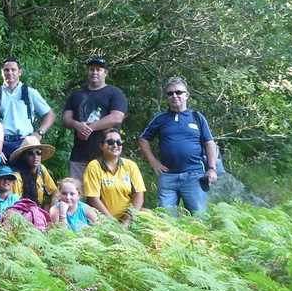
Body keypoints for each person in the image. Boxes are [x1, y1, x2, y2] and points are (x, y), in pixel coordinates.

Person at [137, 77, 218, 218]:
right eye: (170, 93)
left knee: (199, 219)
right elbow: (143, 140)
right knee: (165, 219)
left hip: (194, 175)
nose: (174, 96)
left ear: (187, 95)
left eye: (178, 92)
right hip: (168, 176)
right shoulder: (160, 119)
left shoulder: (197, 117)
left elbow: (209, 143)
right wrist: (154, 162)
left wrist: (212, 169)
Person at [62, 56, 129, 183]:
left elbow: (117, 117)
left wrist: (89, 128)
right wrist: (77, 125)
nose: (95, 72)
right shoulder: (76, 94)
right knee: (76, 195)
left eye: (99, 70)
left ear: (105, 73)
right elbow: (66, 119)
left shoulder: (115, 93)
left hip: (106, 155)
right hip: (79, 155)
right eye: (92, 69)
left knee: (104, 196)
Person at [0, 58, 55, 160]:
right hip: (2, 143)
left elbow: (49, 114)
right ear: (2, 72)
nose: (10, 73)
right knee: (2, 175)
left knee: (27, 174)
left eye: (13, 69)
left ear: (20, 72)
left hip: (25, 142)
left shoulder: (30, 93)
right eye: (6, 70)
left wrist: (40, 133)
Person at [83, 128, 146, 227]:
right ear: (101, 145)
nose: (115, 145)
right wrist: (112, 223)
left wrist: (127, 220)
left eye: (118, 142)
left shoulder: (130, 165)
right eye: (110, 142)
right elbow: (93, 199)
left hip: (129, 217)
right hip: (101, 218)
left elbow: (139, 195)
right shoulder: (94, 166)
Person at [9, 135, 58, 209]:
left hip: (39, 210)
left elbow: (55, 192)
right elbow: (15, 205)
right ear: (23, 156)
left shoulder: (41, 169)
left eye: (38, 152)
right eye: (30, 153)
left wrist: (52, 209)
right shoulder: (17, 177)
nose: (35, 157)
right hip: (22, 211)